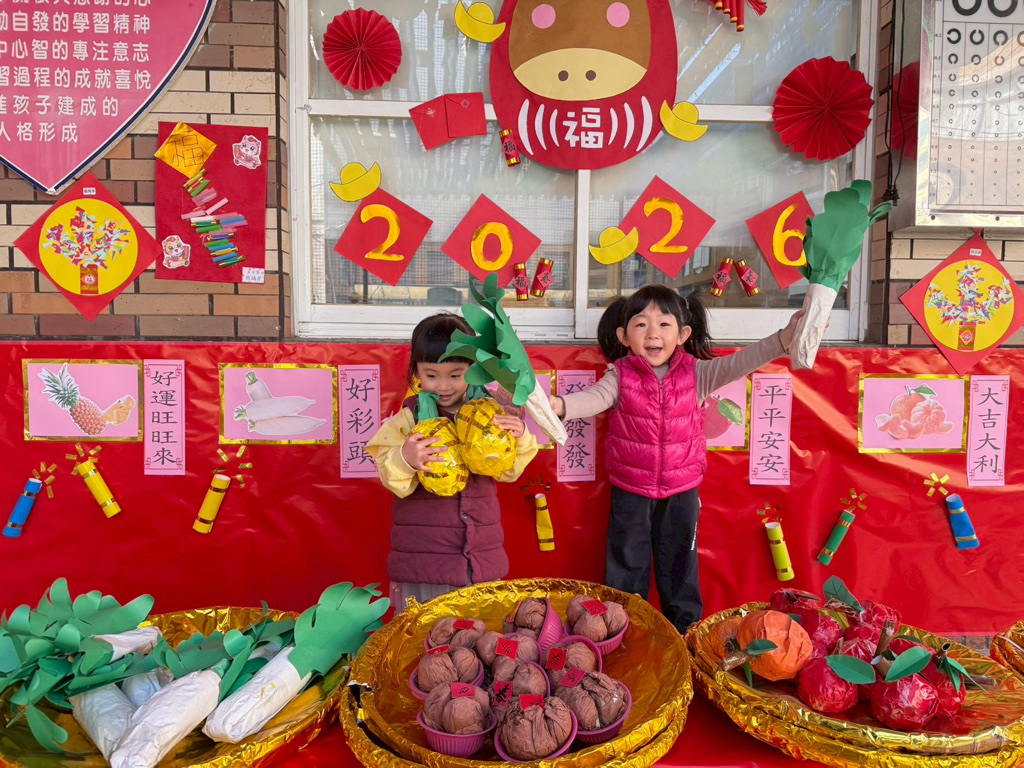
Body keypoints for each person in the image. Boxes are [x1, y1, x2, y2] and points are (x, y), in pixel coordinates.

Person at [550, 285, 803, 633]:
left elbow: (741, 362)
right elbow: (592, 399)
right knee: (626, 570)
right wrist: (560, 405)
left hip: (682, 492)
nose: (652, 334)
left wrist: (784, 339)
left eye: (664, 324)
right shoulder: (619, 375)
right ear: (624, 336)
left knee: (681, 569)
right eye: (641, 324)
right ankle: (625, 634)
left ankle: (685, 637)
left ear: (682, 334)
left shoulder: (697, 374)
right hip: (631, 491)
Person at [365, 313, 540, 610]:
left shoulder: (490, 415)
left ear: (474, 370)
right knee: (426, 632)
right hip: (426, 560)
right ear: (416, 371)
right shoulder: (409, 420)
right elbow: (387, 472)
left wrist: (521, 437)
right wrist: (405, 458)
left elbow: (508, 472)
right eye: (432, 375)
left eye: (455, 375)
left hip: (480, 558)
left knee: (477, 632)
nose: (443, 386)